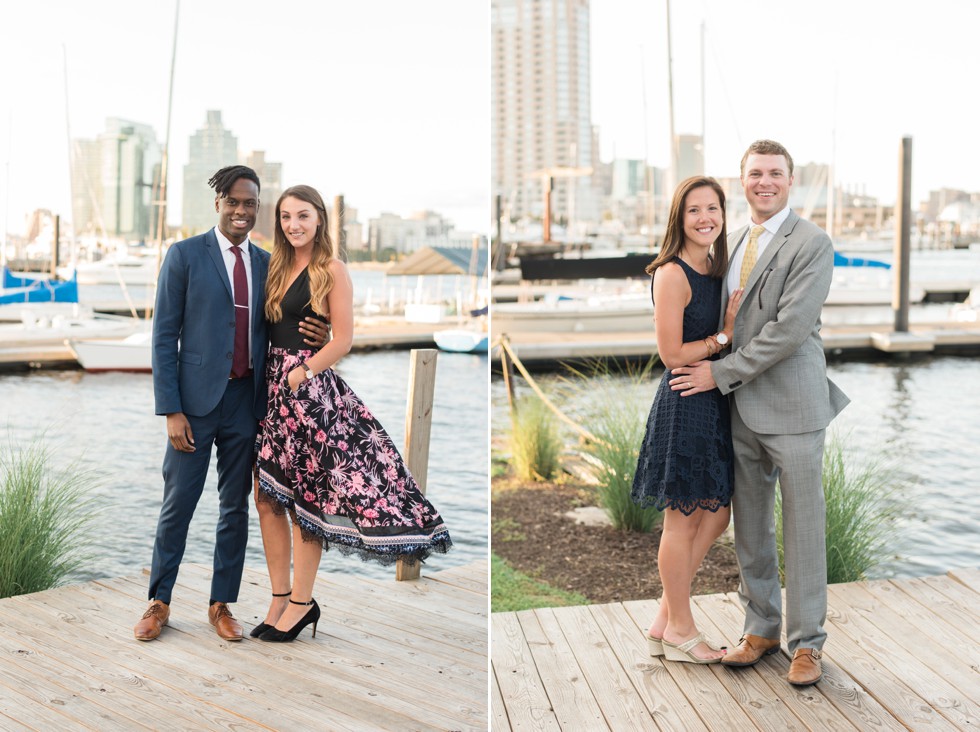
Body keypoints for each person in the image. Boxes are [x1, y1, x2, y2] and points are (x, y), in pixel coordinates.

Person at [669, 140, 849, 685]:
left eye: (774, 173)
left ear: (790, 181)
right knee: (749, 526)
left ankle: (807, 644)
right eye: (754, 174)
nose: (764, 181)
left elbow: (789, 330)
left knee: (803, 526)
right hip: (738, 410)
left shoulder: (812, 243)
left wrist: (718, 372)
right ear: (742, 181)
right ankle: (761, 627)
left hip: (792, 405)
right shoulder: (733, 239)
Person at [134, 166, 328, 642]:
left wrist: (322, 333)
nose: (242, 211)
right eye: (234, 202)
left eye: (250, 204)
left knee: (234, 508)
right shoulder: (183, 256)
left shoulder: (268, 263)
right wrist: (171, 409)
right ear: (218, 202)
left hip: (247, 403)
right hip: (194, 406)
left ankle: (221, 604)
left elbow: (294, 317)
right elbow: (163, 338)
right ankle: (158, 602)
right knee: (178, 503)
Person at [251, 184, 452, 642]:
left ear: (320, 219)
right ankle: (279, 597)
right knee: (266, 498)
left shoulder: (331, 269)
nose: (293, 225)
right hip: (272, 397)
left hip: (308, 393)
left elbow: (343, 338)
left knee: (307, 503)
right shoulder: (274, 266)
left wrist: (303, 372)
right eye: (285, 217)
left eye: (302, 216)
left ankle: (301, 603)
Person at [631, 176, 743, 664]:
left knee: (716, 515)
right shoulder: (672, 273)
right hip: (685, 402)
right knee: (681, 521)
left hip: (712, 401)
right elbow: (671, 353)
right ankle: (680, 627)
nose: (705, 218)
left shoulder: (717, 266)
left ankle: (663, 618)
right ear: (679, 217)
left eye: (713, 208)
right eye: (694, 210)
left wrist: (720, 357)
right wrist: (725, 337)